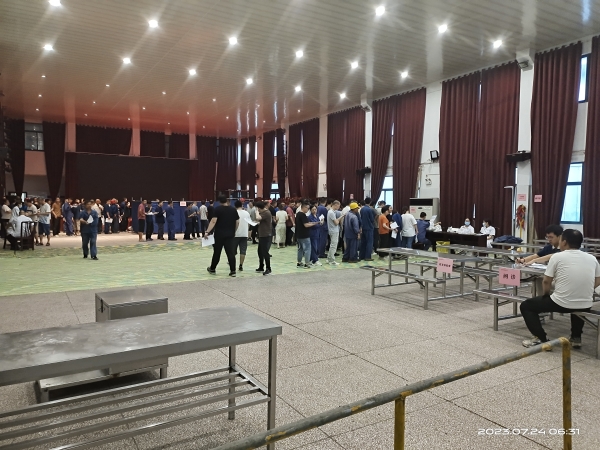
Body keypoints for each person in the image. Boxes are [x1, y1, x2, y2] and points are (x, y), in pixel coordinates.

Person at [520, 229, 600, 349]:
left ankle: (541, 339)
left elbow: (546, 281)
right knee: (577, 302)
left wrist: (546, 295)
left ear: (564, 242)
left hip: (561, 303)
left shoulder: (557, 257)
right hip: (586, 303)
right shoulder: (592, 258)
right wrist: (584, 290)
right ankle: (576, 338)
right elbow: (598, 281)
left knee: (526, 306)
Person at [205, 195, 239, 277]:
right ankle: (233, 271)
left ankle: (212, 268)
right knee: (230, 253)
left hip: (219, 235)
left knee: (217, 252)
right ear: (227, 200)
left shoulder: (217, 209)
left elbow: (213, 221)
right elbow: (237, 222)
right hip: (230, 234)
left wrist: (207, 231)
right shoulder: (233, 209)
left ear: (219, 202)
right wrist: (234, 231)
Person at [295, 202, 317, 268]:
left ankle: (299, 262)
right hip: (304, 235)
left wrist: (313, 222)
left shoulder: (298, 214)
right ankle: (307, 263)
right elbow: (306, 225)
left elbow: (305, 222)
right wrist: (314, 224)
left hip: (298, 234)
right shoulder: (303, 215)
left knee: (300, 249)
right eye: (307, 208)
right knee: (307, 249)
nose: (308, 210)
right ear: (304, 207)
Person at [255, 201, 273, 275]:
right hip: (262, 234)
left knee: (265, 252)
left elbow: (258, 217)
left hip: (266, 234)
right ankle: (261, 266)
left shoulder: (266, 212)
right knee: (260, 251)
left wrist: (256, 212)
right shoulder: (263, 212)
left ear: (259, 208)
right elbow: (260, 220)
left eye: (258, 209)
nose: (258, 211)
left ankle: (268, 268)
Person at [326, 200, 345, 265]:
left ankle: (329, 258)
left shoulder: (331, 212)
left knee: (332, 245)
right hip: (334, 231)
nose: (339, 207)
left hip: (333, 230)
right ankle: (331, 260)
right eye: (338, 206)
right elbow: (336, 222)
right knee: (333, 246)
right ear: (336, 205)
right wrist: (342, 216)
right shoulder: (331, 212)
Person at [234, 200, 250, 271]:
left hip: (235, 234)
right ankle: (241, 265)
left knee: (232, 250)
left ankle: (232, 264)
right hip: (244, 234)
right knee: (243, 250)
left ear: (235, 206)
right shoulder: (246, 213)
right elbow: (249, 223)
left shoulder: (234, 212)